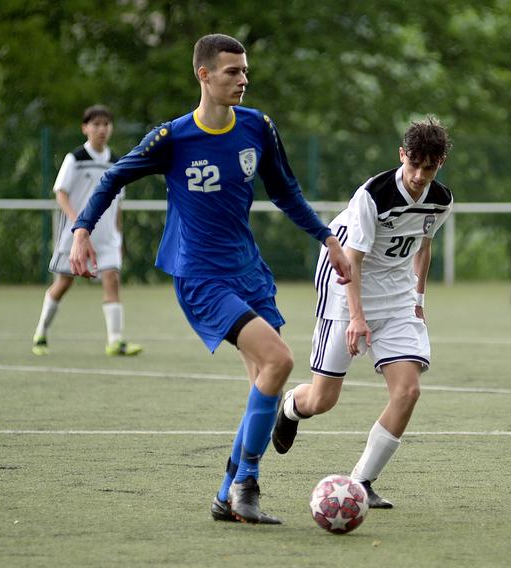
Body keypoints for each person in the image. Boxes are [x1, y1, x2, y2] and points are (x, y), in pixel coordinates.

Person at [69, 34, 351, 524]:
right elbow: (113, 177)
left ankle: (227, 495)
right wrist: (81, 231)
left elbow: (286, 192)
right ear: (204, 75)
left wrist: (327, 238)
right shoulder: (172, 138)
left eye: (245, 71)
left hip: (249, 271)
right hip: (201, 276)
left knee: (265, 377)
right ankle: (246, 483)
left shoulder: (258, 126)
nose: (243, 80)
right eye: (232, 72)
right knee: (280, 361)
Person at [270, 117, 453, 509]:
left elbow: (423, 246)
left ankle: (362, 481)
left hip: (396, 293)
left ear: (440, 163)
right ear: (402, 155)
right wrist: (356, 317)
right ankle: (290, 406)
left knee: (408, 390)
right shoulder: (373, 195)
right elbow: (352, 258)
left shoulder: (441, 199)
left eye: (430, 167)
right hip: (344, 278)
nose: (420, 175)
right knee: (322, 400)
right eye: (414, 164)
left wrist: (418, 300)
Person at [31, 105, 142, 357]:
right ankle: (41, 333)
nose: (101, 129)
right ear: (85, 128)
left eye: (106, 124)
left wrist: (118, 235)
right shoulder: (76, 159)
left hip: (107, 239)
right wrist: (78, 225)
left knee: (112, 279)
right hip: (76, 238)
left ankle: (115, 341)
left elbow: (118, 204)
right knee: (63, 283)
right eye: (96, 124)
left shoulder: (117, 162)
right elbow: (61, 194)